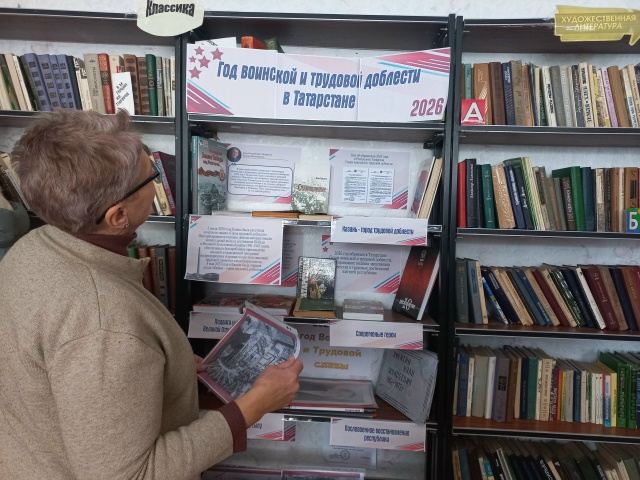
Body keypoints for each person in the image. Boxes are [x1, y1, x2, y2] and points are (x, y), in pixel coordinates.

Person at [0, 109, 303, 480]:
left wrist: (164, 367)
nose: (159, 182)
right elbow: (130, 475)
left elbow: (62, 369)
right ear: (118, 216)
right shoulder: (105, 322)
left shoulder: (33, 245)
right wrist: (251, 407)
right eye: (153, 178)